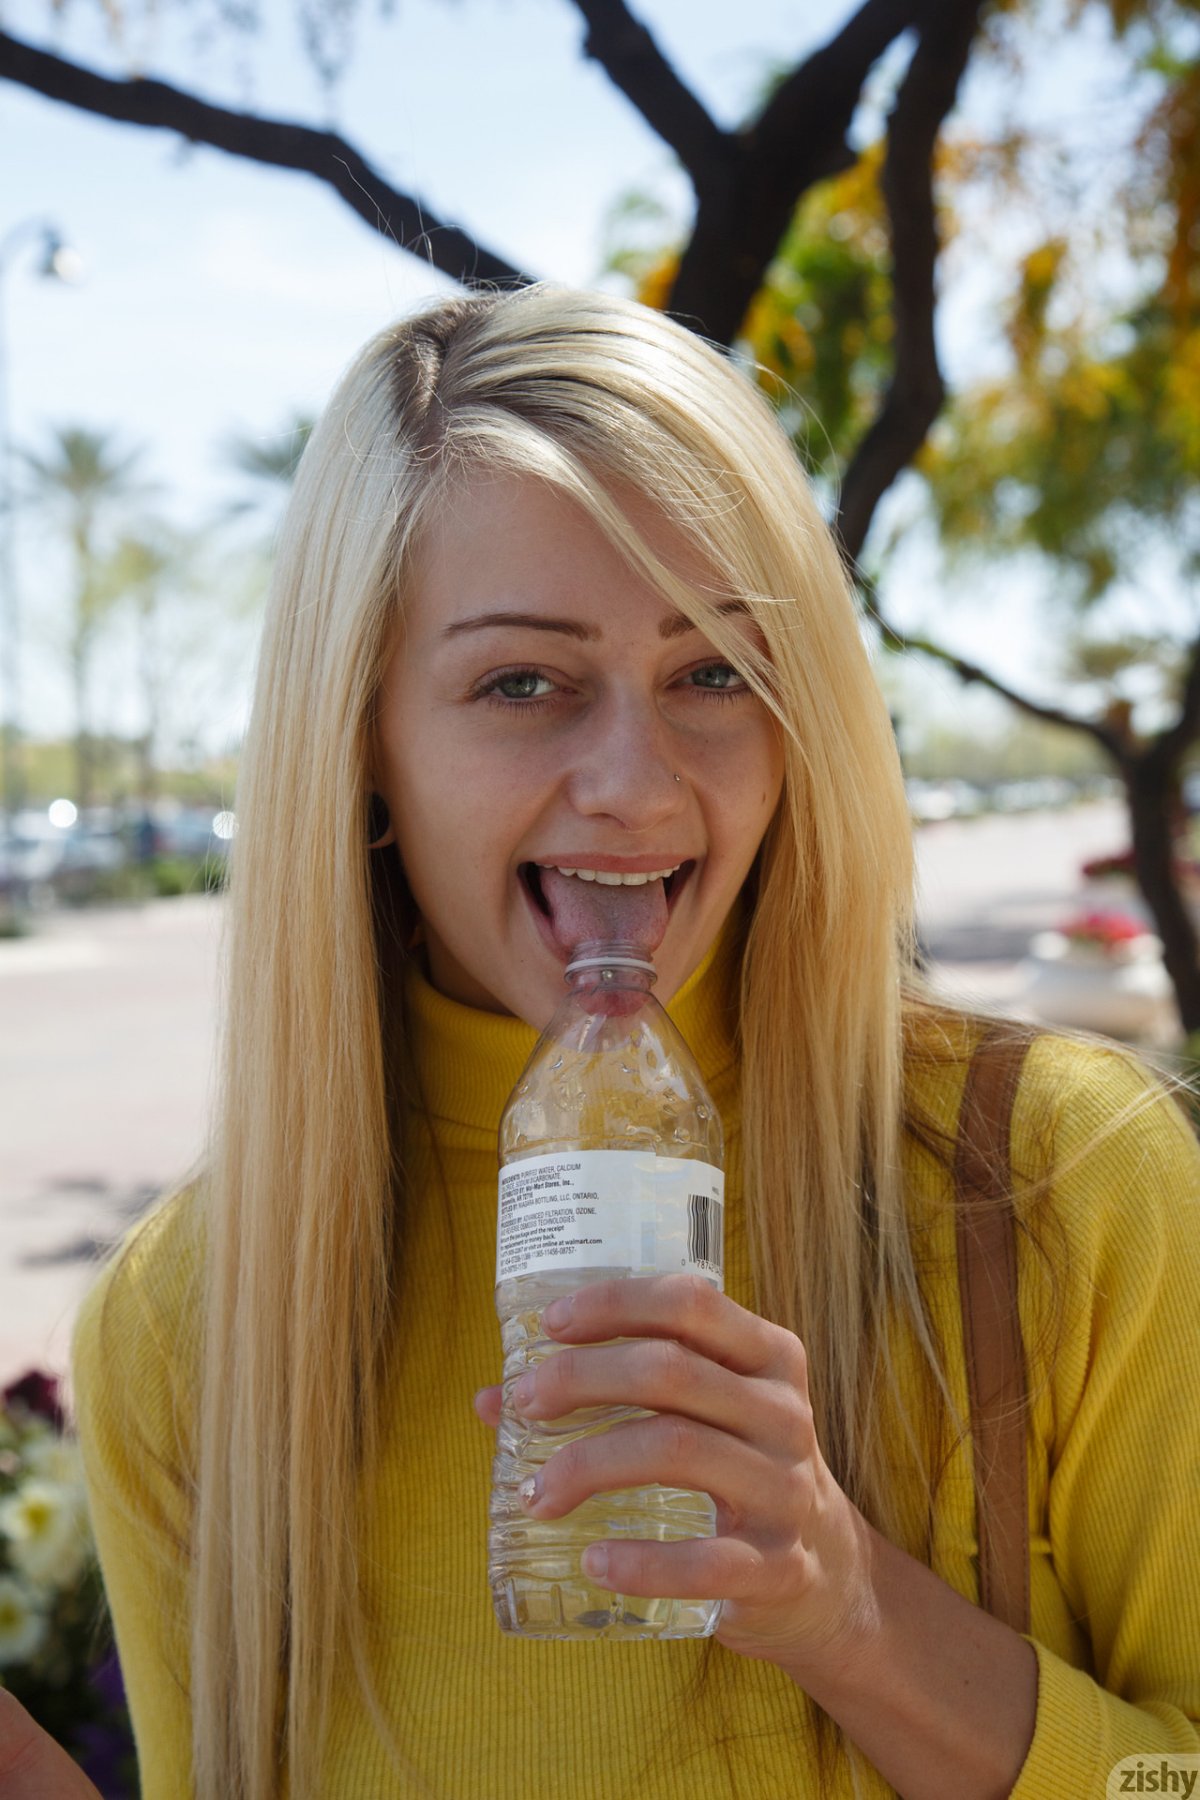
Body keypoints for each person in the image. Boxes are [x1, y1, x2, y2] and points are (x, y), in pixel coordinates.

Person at [18, 286, 1200, 1799]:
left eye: (715, 673)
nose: (636, 788)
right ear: (359, 740)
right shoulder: (191, 1322)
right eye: (523, 682)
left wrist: (852, 1613)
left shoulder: (1057, 1179)